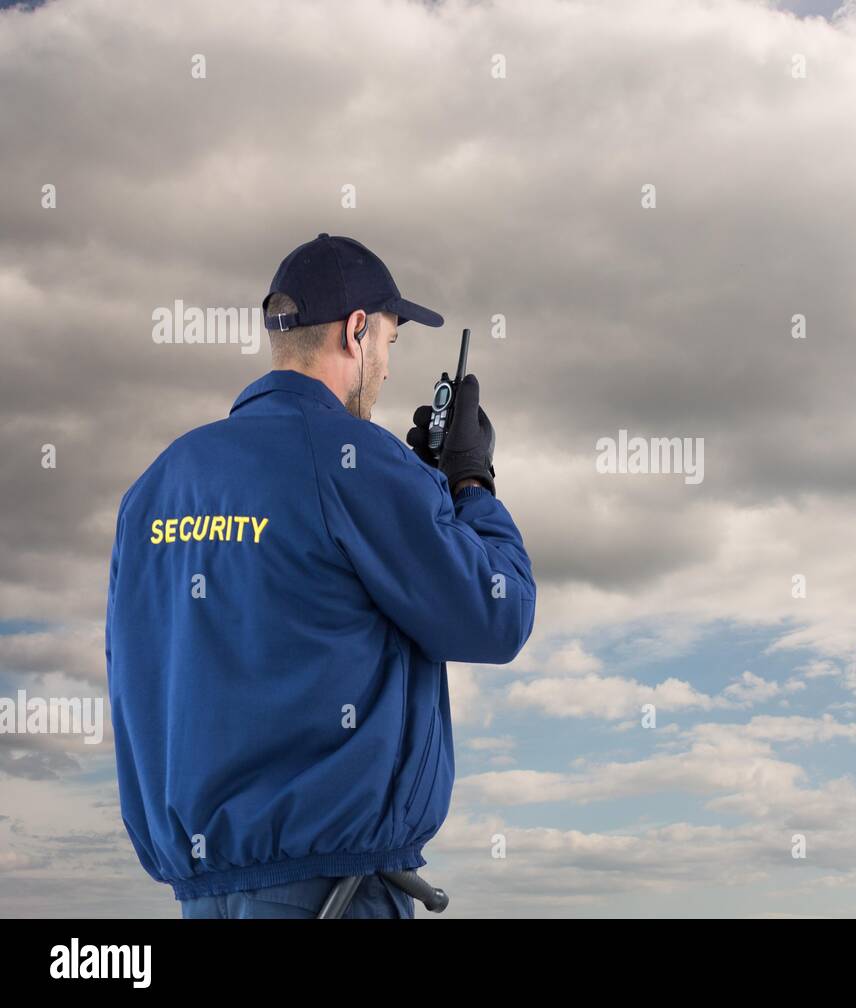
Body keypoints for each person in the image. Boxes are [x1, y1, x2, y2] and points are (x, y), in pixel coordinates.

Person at [106, 233, 536, 918]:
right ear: (357, 331)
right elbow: (497, 614)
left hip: (204, 895)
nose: (389, 370)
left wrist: (416, 491)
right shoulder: (358, 462)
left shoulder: (158, 486)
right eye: (391, 343)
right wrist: (469, 483)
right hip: (331, 896)